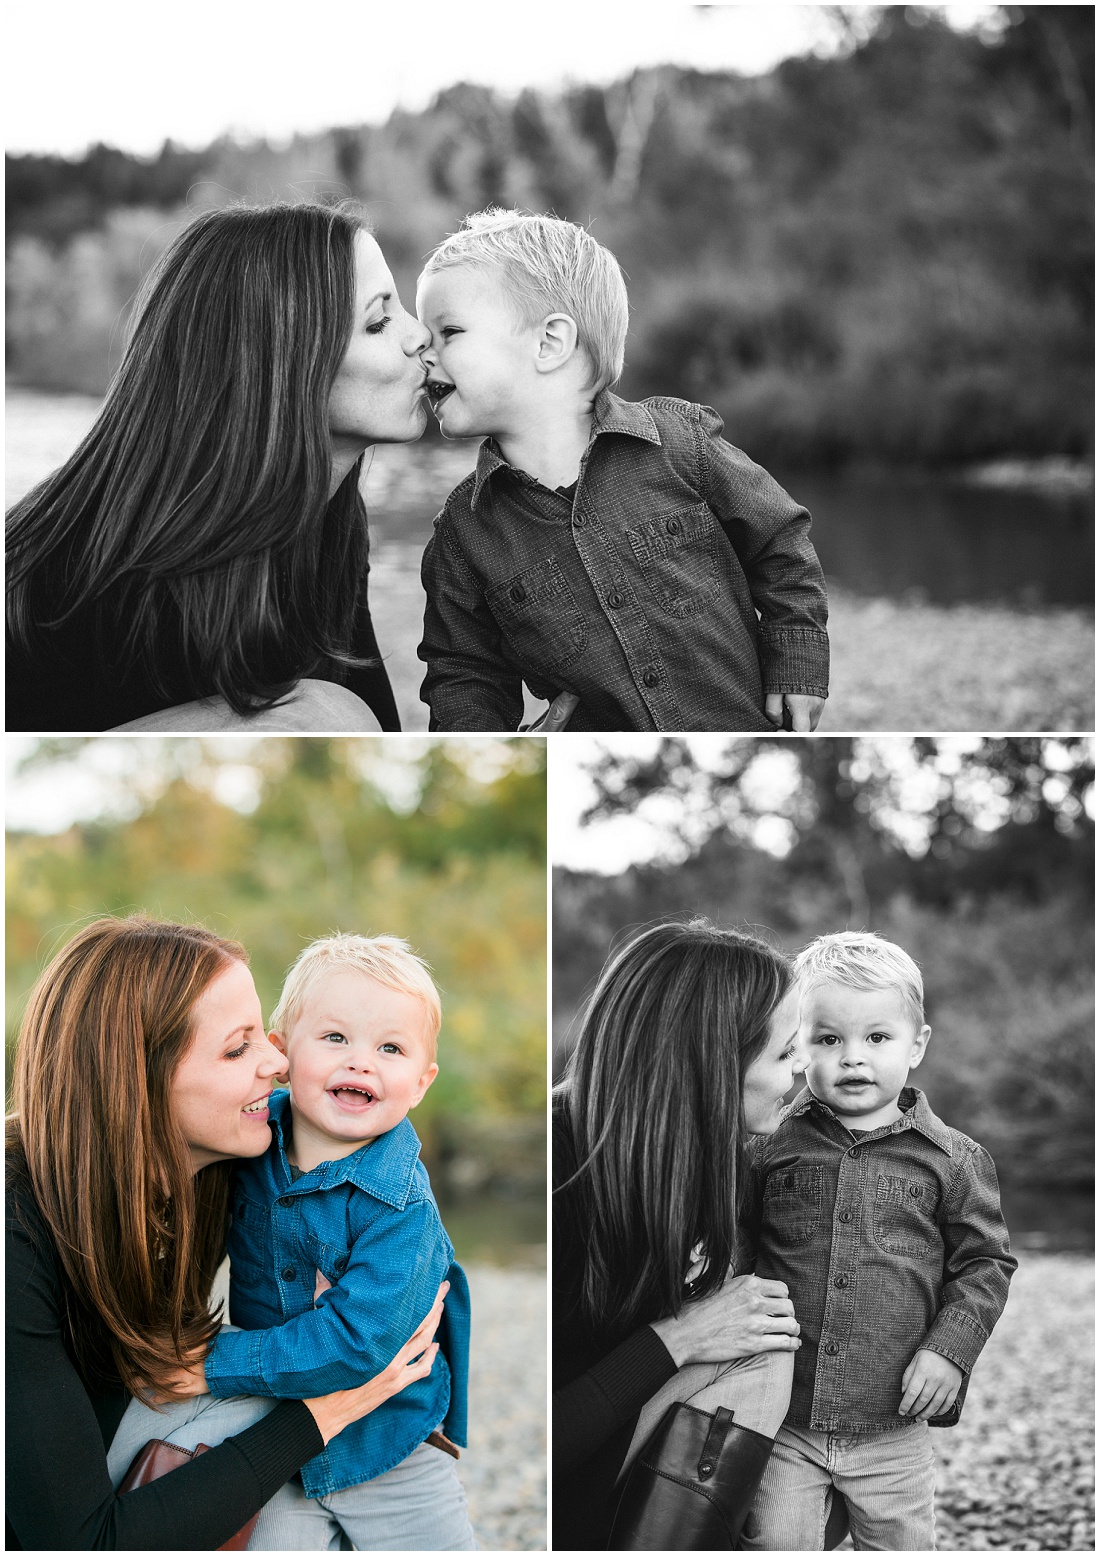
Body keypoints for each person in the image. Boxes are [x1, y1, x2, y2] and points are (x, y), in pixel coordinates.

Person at [6, 916, 448, 1551]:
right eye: (239, 1048)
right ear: (138, 1079)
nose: (277, 1062)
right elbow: (78, 1540)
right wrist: (329, 1411)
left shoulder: (220, 1169)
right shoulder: (14, 1235)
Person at [6, 201, 430, 733]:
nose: (420, 337)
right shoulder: (120, 578)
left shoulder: (331, 524)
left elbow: (381, 733)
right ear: (284, 360)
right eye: (379, 322)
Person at [118, 932, 477, 1551]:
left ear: (421, 1082)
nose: (360, 1062)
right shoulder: (248, 1144)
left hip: (388, 1438)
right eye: (335, 1038)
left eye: (390, 1048)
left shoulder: (403, 1209)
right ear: (282, 1053)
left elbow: (358, 1343)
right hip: (280, 1430)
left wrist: (209, 1367)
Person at [415, 208, 829, 733]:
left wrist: (797, 659)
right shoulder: (463, 535)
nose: (421, 351)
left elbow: (779, 540)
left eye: (447, 331)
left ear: (549, 344)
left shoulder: (681, 444)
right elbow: (463, 675)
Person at [742, 931, 1017, 1552]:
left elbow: (986, 1263)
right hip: (784, 1411)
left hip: (893, 1418)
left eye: (877, 1038)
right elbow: (738, 1242)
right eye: (827, 1039)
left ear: (916, 1045)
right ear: (795, 1047)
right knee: (774, 1541)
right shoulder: (768, 1147)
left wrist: (952, 1350)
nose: (853, 1059)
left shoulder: (952, 1159)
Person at [553, 919, 811, 1551]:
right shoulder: (559, 1172)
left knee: (762, 1319)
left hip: (628, 1451)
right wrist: (679, 1339)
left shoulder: (718, 1160)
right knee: (759, 1341)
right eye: (785, 1053)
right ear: (714, 1065)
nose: (805, 1066)